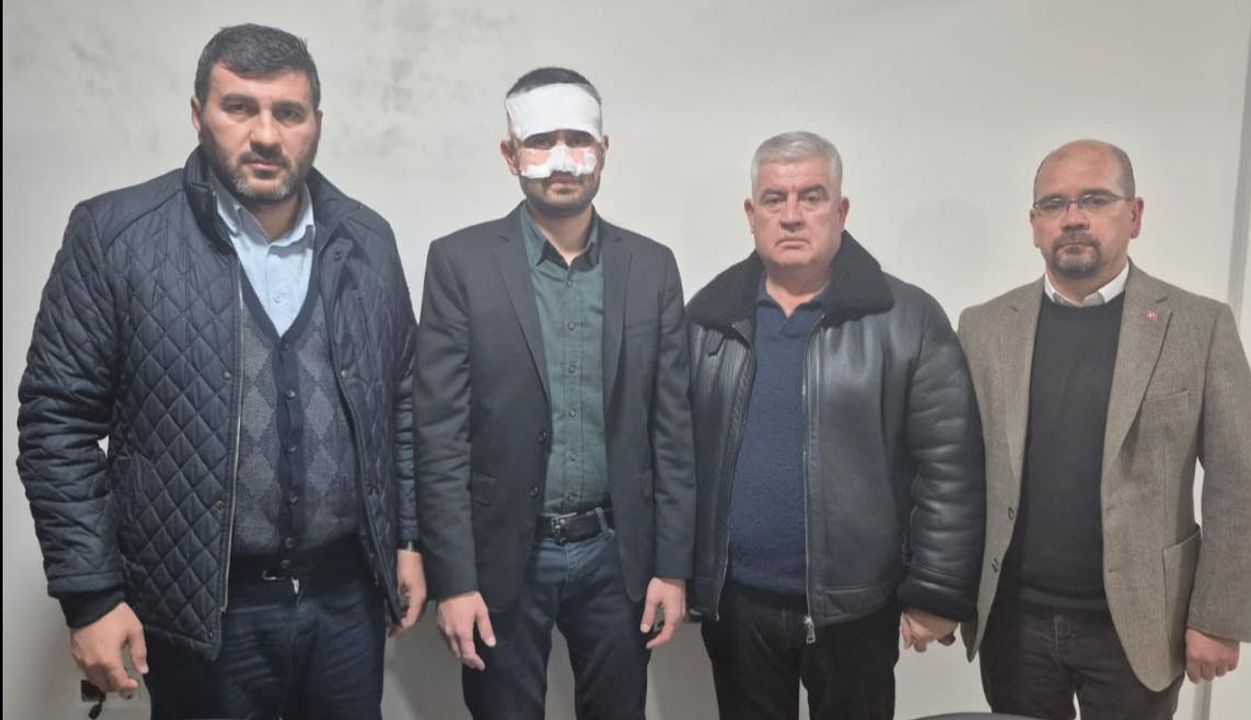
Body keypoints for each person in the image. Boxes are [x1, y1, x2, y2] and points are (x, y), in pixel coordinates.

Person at [16, 23, 424, 719]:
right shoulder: (116, 236)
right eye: (240, 107)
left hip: (346, 602)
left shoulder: (366, 240)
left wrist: (407, 540)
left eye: (288, 112)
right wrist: (92, 597)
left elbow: (402, 405)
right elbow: (56, 423)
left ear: (316, 124)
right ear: (198, 113)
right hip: (202, 610)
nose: (265, 134)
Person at [958, 139, 1251, 720]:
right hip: (1014, 622)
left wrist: (1217, 617)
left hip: (1141, 624)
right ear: (1034, 225)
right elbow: (954, 470)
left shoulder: (1197, 326)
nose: (1074, 217)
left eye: (1095, 199)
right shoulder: (983, 329)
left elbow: (1243, 479)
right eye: (1054, 204)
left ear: (1135, 215)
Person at [414, 67, 695, 720]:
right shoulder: (459, 263)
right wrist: (453, 581)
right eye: (541, 141)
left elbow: (673, 429)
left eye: (578, 139)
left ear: (604, 149)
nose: (562, 159)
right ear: (510, 153)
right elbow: (440, 436)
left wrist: (673, 567)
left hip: (618, 554)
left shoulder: (651, 266)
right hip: (502, 556)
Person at [685, 131, 985, 720]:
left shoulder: (908, 320)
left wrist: (937, 589)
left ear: (841, 211)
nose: (791, 215)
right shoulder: (707, 319)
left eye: (812, 196)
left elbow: (950, 466)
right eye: (774, 199)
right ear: (751, 214)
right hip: (738, 604)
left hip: (857, 607)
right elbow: (675, 455)